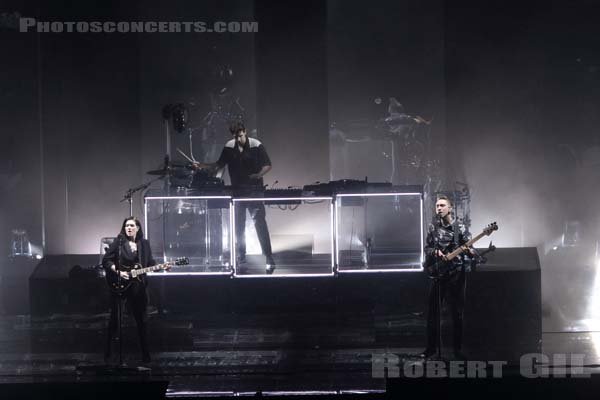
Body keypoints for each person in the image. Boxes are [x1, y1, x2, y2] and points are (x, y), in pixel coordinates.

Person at [193, 122, 275, 274]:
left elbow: (268, 165)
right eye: (235, 136)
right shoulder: (229, 146)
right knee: (239, 227)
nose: (238, 139)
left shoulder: (256, 145)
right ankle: (240, 257)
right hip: (237, 191)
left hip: (254, 190)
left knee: (260, 224)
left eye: (240, 135)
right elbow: (218, 165)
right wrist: (202, 166)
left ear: (245, 132)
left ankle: (269, 257)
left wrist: (258, 175)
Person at [421, 196, 472, 360]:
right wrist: (435, 252)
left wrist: (470, 252)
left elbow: (470, 249)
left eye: (442, 205)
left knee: (457, 313)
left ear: (450, 208)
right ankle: (431, 349)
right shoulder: (433, 228)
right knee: (432, 313)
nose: (439, 208)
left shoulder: (460, 228)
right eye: (437, 206)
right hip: (438, 274)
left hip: (456, 274)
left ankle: (457, 350)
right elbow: (427, 248)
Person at [102, 217, 156, 363]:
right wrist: (118, 272)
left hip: (138, 287)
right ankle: (109, 352)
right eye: (126, 225)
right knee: (116, 319)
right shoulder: (119, 243)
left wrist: (162, 266)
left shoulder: (144, 244)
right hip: (120, 285)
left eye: (132, 225)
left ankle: (145, 354)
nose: (129, 228)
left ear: (138, 228)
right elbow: (106, 260)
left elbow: (150, 263)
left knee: (141, 320)